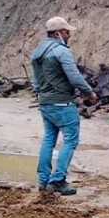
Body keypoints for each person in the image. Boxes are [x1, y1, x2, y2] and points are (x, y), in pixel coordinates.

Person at [31, 16, 97, 195]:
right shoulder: (62, 51)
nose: (70, 35)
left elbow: (35, 80)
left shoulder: (38, 51)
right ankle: (58, 179)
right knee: (70, 139)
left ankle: (43, 180)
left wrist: (40, 94)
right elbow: (74, 76)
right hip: (62, 102)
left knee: (48, 139)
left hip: (45, 102)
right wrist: (89, 93)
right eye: (67, 32)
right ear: (58, 33)